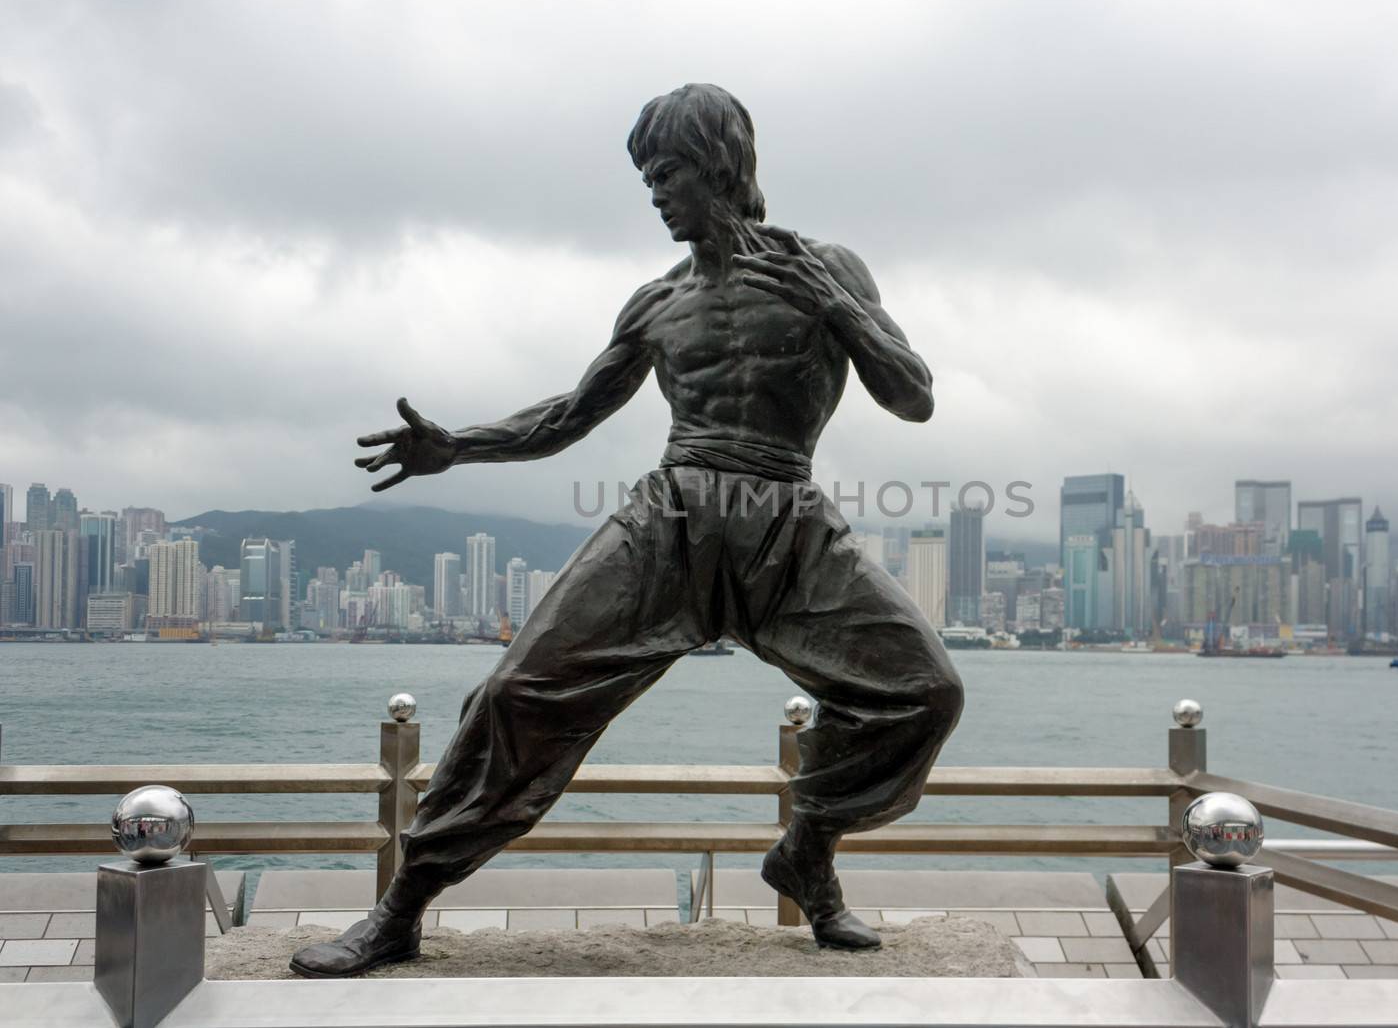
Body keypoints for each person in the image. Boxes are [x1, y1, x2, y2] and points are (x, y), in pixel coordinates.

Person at [291, 84, 963, 978]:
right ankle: (401, 907)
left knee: (924, 690)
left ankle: (808, 846)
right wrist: (458, 447)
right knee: (516, 696)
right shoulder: (654, 304)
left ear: (719, 165)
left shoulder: (828, 265)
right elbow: (570, 415)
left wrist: (835, 303)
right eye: (647, 176)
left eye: (668, 171)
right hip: (670, 522)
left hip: (783, 519)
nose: (654, 192)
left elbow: (913, 395)